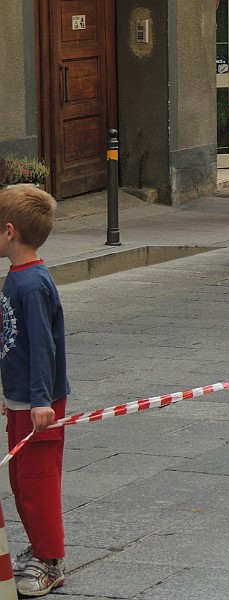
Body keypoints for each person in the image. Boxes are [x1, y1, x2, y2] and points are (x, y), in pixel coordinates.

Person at [0, 185, 68, 597]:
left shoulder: (31, 284)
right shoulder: (17, 277)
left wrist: (42, 401)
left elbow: (43, 346)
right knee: (20, 478)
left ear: (10, 232)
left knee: (38, 480)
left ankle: (51, 559)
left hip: (38, 401)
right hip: (20, 398)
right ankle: (41, 548)